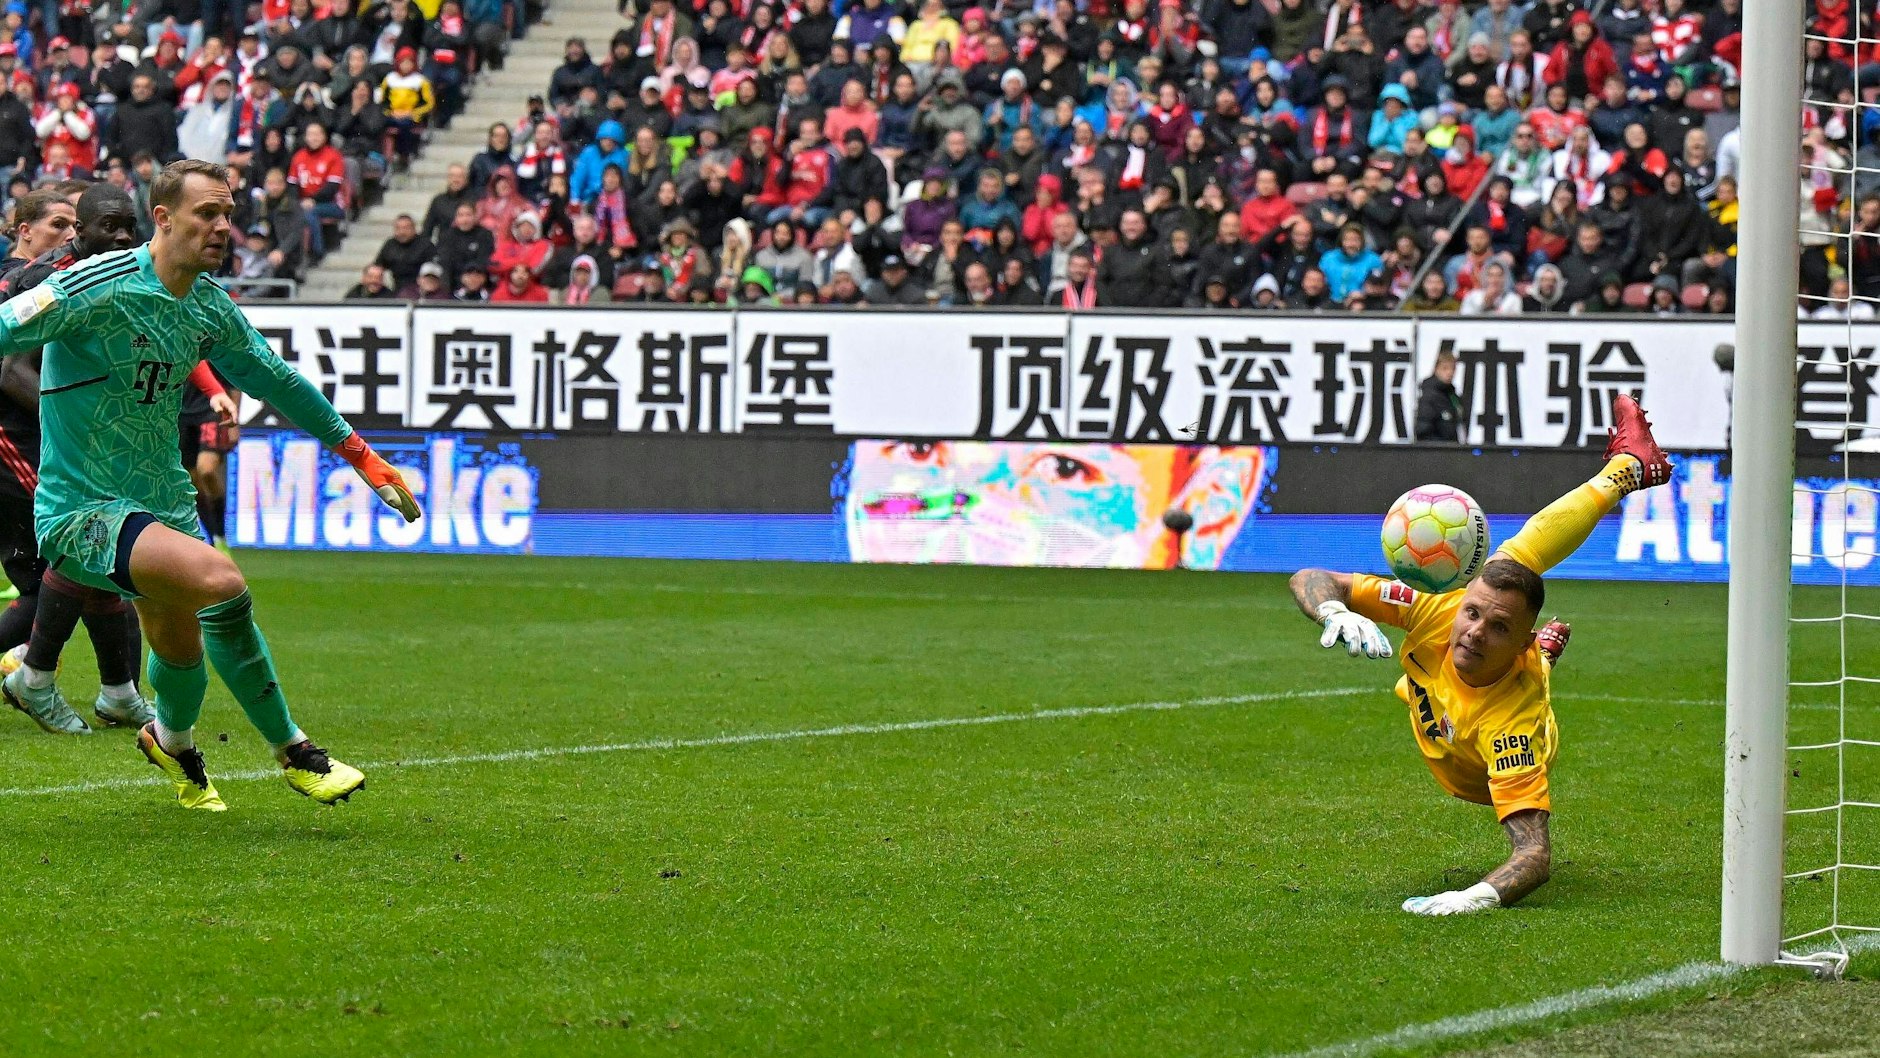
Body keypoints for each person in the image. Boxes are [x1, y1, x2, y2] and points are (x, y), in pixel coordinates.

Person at [0, 160, 421, 809]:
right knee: (223, 583)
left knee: (181, 650)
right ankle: (295, 750)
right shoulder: (90, 285)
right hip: (84, 510)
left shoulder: (207, 306)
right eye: (208, 214)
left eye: (228, 213)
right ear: (164, 219)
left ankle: (171, 741)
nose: (225, 226)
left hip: (163, 503)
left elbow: (276, 380)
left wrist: (361, 456)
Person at [1288, 395, 1673, 914]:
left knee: (1523, 673)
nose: (1472, 631)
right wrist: (1334, 612)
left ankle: (1540, 656)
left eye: (1496, 628)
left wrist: (1478, 895)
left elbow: (1534, 854)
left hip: (1471, 766)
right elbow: (1310, 577)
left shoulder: (1511, 729)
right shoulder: (1441, 605)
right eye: (1472, 615)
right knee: (1511, 561)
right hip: (1460, 677)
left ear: (1518, 638)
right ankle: (1627, 469)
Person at [0, 183, 208, 734]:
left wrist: (207, 389)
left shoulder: (124, 277)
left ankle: (111, 689)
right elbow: (12, 367)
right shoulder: (54, 281)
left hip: (95, 447)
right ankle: (48, 678)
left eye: (126, 227)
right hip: (30, 443)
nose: (117, 238)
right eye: (100, 227)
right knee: (70, 563)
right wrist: (72, 423)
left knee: (99, 560)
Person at [1415, 349, 1463, 443]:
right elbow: (1423, 431)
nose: (1450, 373)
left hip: (1453, 451)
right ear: (1436, 369)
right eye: (1445, 368)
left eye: (1453, 368)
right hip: (1436, 452)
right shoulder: (1429, 396)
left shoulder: (1453, 397)